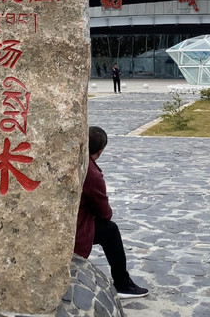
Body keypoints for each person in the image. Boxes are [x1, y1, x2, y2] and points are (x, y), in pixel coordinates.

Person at [74, 126, 149, 298]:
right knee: (110, 230)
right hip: (74, 228)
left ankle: (124, 282)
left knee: (109, 230)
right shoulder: (91, 173)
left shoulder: (74, 160)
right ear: (100, 151)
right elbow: (104, 214)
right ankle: (122, 284)